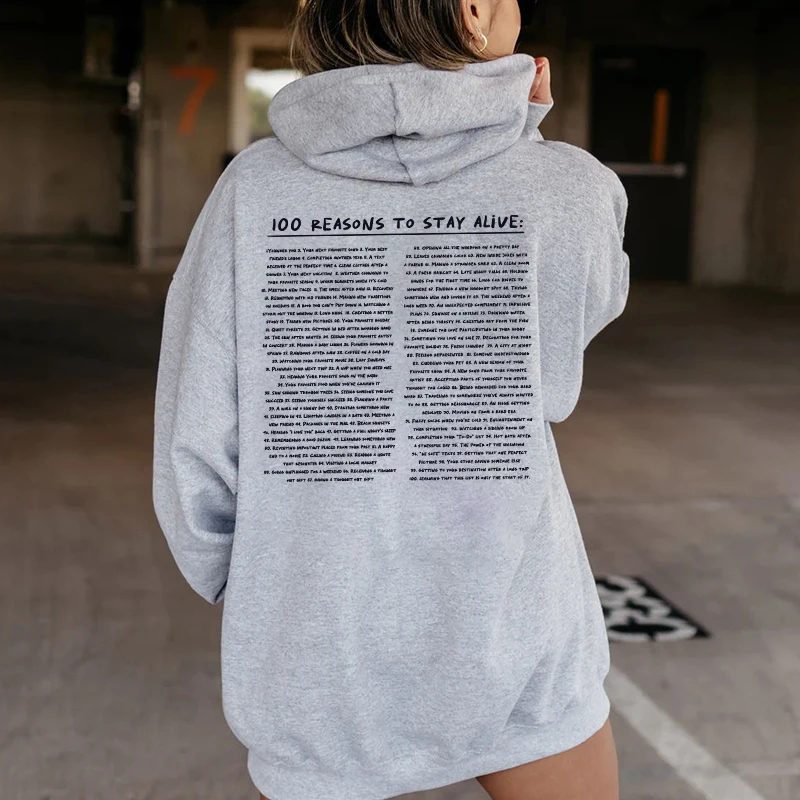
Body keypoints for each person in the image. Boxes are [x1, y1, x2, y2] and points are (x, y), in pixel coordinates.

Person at [151, 0, 630, 798]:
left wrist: (264, 580)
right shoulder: (570, 185)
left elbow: (195, 424)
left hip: (314, 638)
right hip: (509, 619)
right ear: (472, 15)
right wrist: (524, 135)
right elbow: (550, 372)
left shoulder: (253, 187)